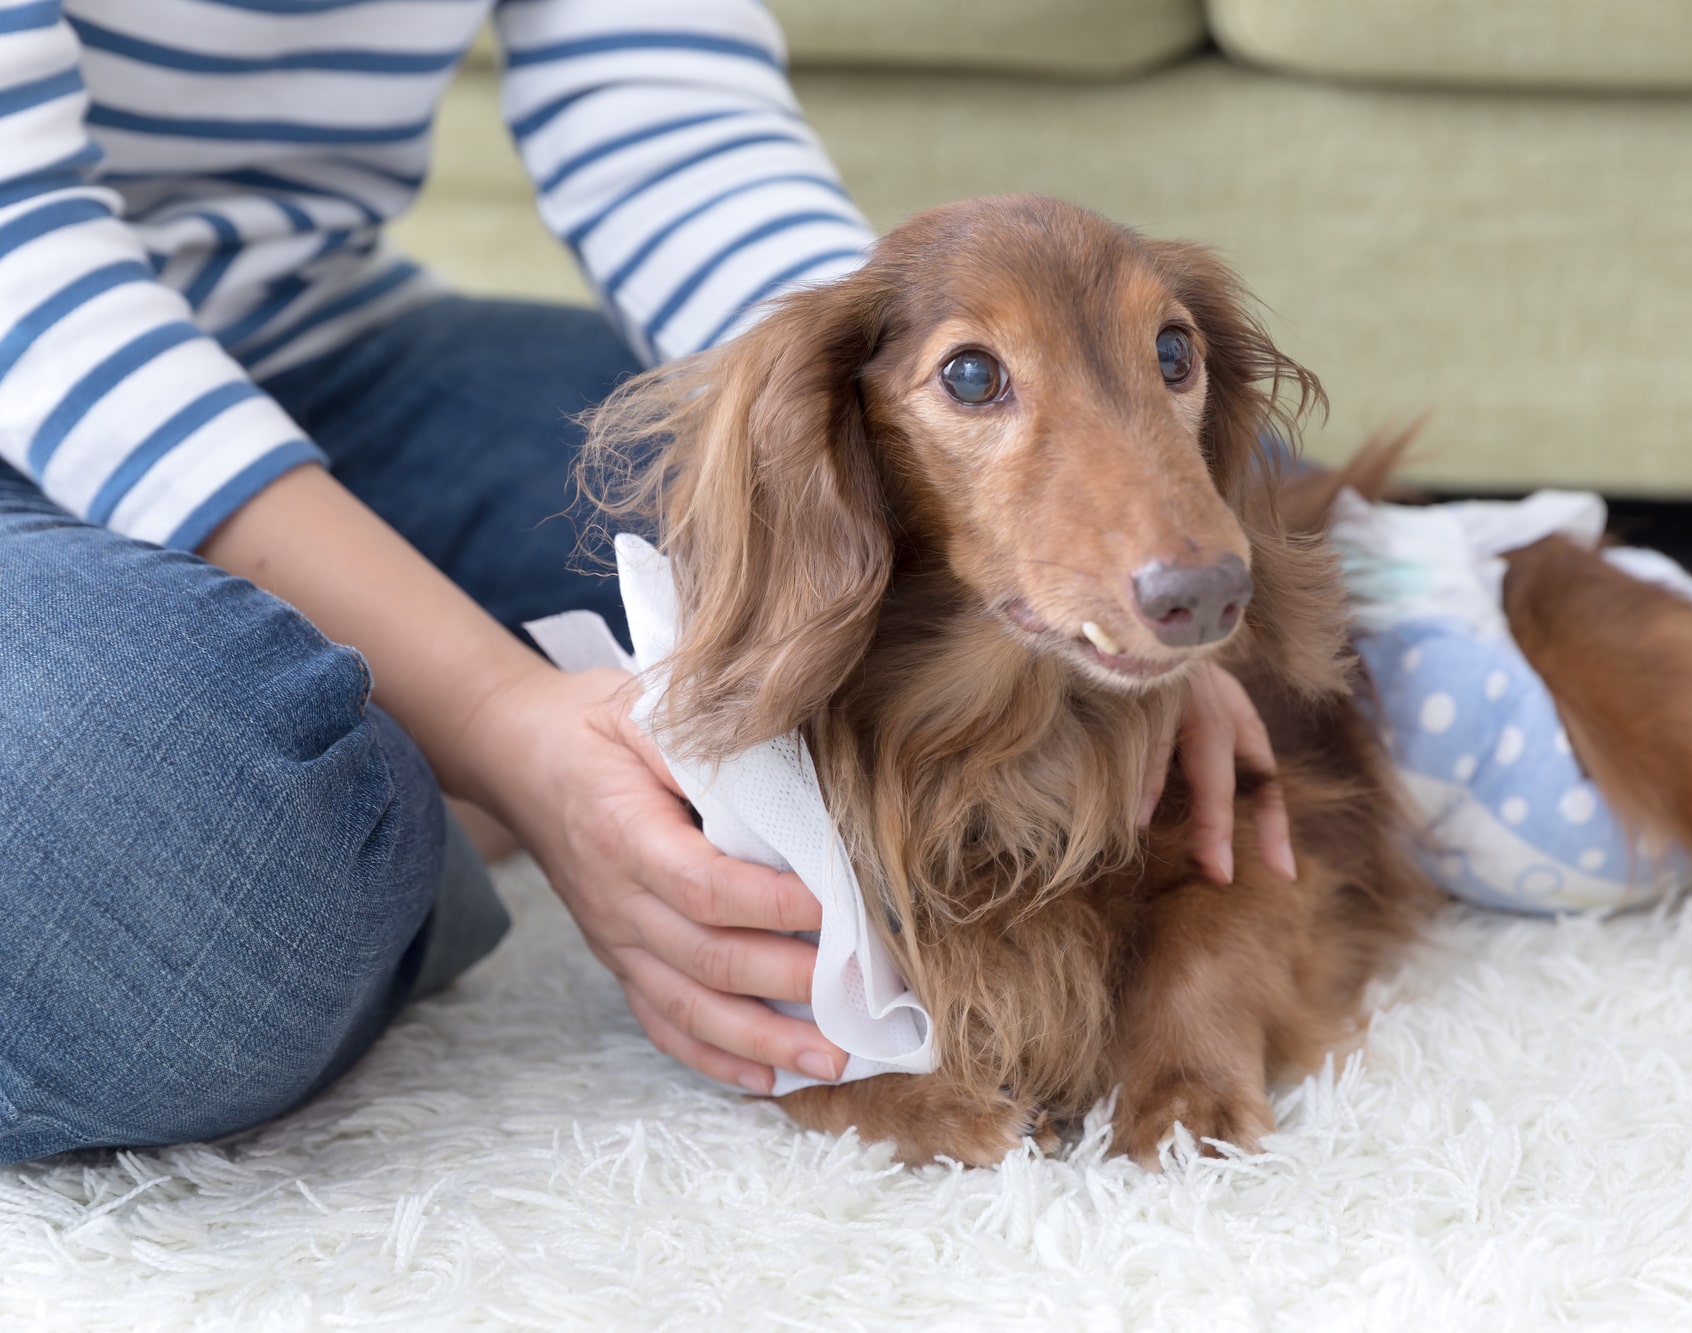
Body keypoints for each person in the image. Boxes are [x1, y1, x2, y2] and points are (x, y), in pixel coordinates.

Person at [0, 1, 1291, 1165]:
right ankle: (388, 798)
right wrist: (503, 727)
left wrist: (1118, 560)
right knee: (205, 903)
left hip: (321, 346)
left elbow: (667, 119)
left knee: (1259, 504)